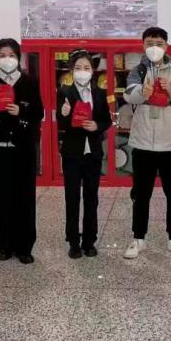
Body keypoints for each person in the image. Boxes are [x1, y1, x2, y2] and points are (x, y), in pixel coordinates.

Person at [122, 27, 171, 260]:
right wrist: (142, 92)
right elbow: (128, 94)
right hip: (143, 142)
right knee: (140, 193)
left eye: (159, 43)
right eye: (150, 43)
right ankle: (138, 238)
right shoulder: (138, 70)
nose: (154, 47)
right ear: (143, 45)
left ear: (166, 45)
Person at [0, 38, 44, 263]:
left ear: (19, 58)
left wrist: (20, 112)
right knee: (0, 198)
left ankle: (24, 247)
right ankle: (4, 246)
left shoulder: (29, 81)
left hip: (22, 149)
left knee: (25, 198)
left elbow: (38, 113)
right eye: (2, 55)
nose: (7, 59)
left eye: (12, 55)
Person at [56, 49, 113, 258]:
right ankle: (73, 241)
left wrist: (97, 126)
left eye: (86, 67)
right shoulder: (64, 92)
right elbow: (61, 123)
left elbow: (106, 120)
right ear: (72, 70)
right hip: (72, 153)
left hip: (93, 154)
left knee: (91, 198)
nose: (82, 71)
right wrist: (63, 114)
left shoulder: (99, 93)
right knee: (72, 199)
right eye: (78, 68)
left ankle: (89, 241)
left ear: (92, 70)